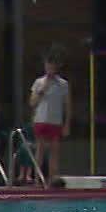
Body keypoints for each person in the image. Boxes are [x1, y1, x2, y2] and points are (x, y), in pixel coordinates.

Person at [27, 47, 71, 187]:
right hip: (41, 120)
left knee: (54, 150)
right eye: (47, 66)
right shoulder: (39, 82)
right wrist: (43, 89)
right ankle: (37, 179)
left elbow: (68, 105)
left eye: (52, 66)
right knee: (40, 149)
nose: (49, 69)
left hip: (55, 121)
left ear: (55, 67)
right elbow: (32, 103)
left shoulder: (63, 84)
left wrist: (67, 124)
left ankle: (52, 178)